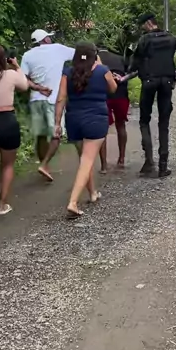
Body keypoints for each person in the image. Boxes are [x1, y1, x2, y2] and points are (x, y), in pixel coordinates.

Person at [0, 44, 51, 229]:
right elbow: (24, 85)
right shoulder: (10, 75)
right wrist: (16, 66)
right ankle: (3, 204)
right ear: (2, 59)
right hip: (7, 122)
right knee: (7, 165)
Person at [126, 13, 176, 178]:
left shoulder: (144, 40)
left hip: (149, 82)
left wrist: (129, 72)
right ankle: (163, 166)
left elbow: (134, 63)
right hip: (166, 83)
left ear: (148, 23)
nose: (142, 28)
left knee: (144, 121)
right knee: (163, 123)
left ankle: (148, 162)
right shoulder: (171, 38)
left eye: (143, 25)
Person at [54, 43, 117, 219]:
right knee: (87, 160)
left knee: (84, 159)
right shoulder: (102, 70)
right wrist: (101, 66)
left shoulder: (67, 72)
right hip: (96, 119)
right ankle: (73, 202)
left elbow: (61, 98)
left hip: (74, 120)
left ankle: (93, 193)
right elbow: (113, 89)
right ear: (94, 55)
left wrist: (57, 123)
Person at [21, 29, 75, 182]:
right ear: (44, 40)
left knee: (41, 135)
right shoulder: (57, 49)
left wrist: (38, 87)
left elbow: (23, 79)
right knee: (56, 134)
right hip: (54, 100)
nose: (50, 39)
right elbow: (80, 54)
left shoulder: (27, 55)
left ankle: (44, 166)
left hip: (36, 100)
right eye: (48, 37)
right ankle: (44, 164)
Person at [97, 42, 130, 172]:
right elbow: (130, 73)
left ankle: (104, 165)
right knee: (121, 125)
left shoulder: (95, 60)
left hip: (103, 96)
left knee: (102, 130)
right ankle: (121, 159)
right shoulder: (120, 58)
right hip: (121, 95)